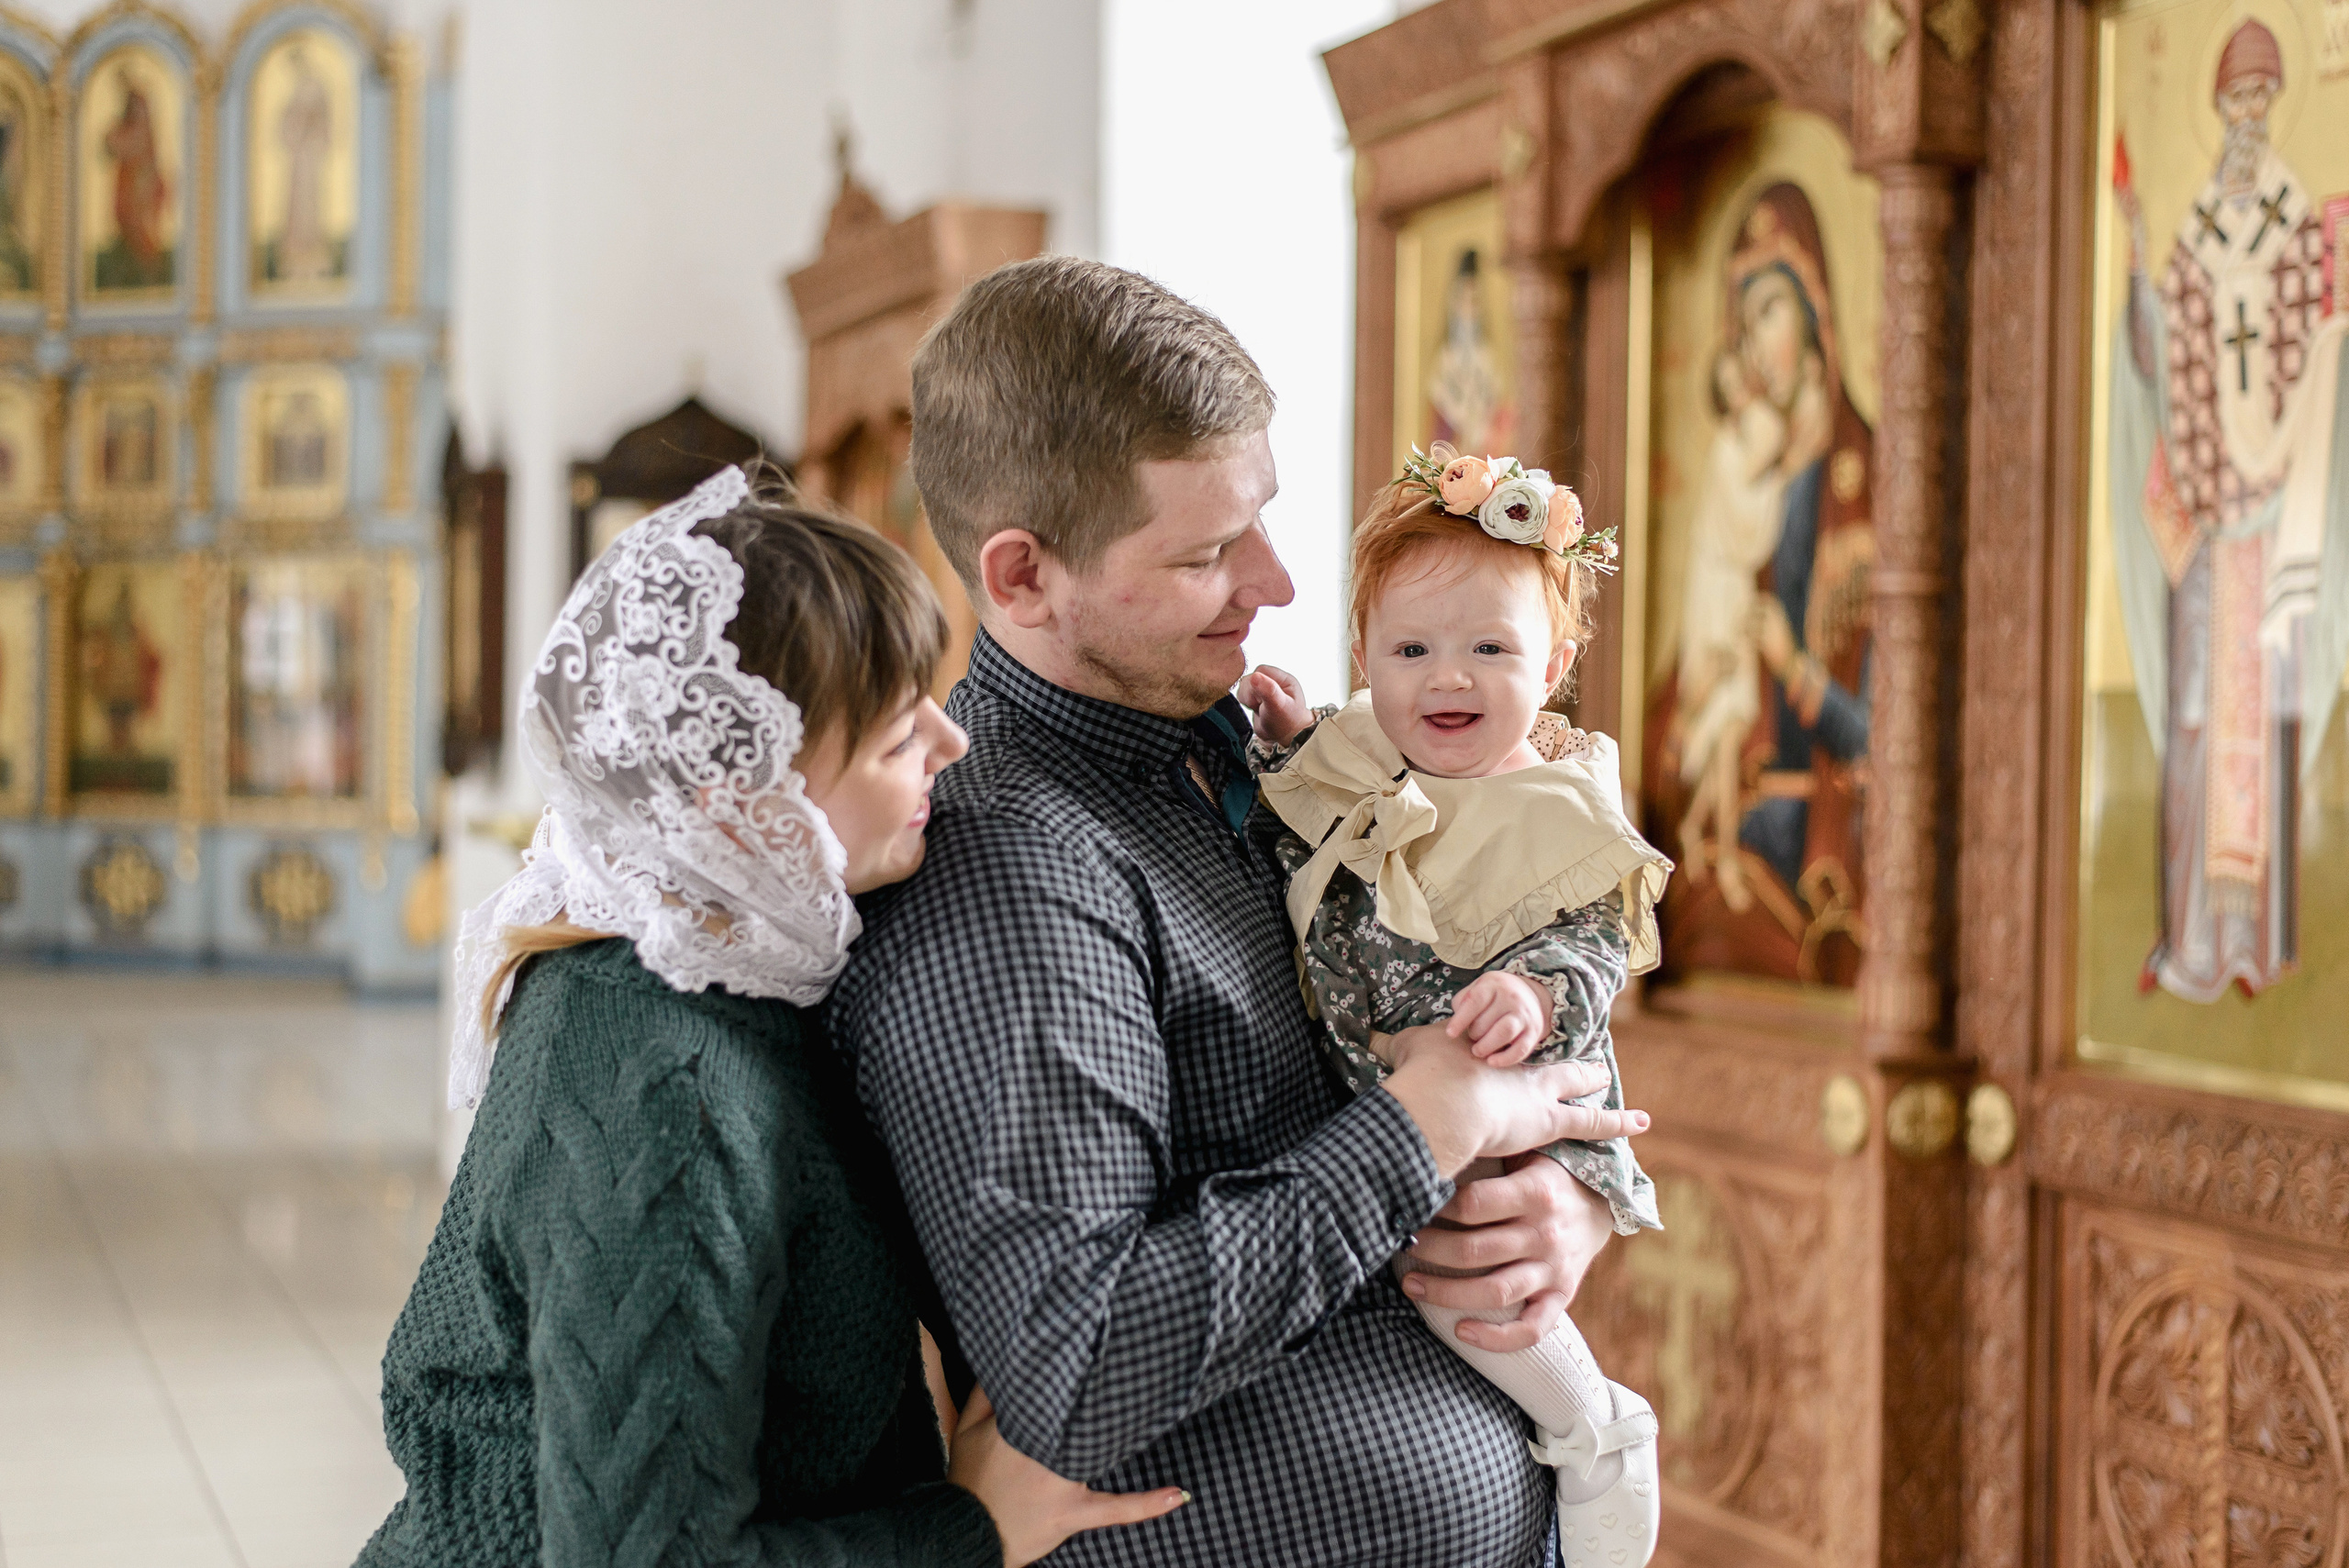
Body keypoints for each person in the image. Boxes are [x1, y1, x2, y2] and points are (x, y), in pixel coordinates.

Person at [829, 257, 1648, 1567]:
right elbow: (1079, 1366)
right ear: (1024, 575)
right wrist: (1429, 1128)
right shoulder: (1010, 873)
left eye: (1260, 517)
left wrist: (1554, 1195)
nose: (1277, 582)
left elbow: (1461, 970)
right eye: (1208, 552)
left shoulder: (1237, 747)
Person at [356, 464, 1186, 1568]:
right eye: (896, 737)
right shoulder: (670, 1088)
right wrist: (969, 1527)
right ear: (743, 803)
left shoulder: (693, 954)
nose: (950, 743)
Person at [1241, 442, 1668, 1566]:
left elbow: (1594, 943)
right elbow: (1311, 815)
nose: (1448, 679)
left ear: (1554, 661)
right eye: (1411, 649)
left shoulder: (1553, 804)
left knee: (1461, 1286)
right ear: (1363, 655)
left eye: (1489, 648)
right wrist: (1288, 740)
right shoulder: (1364, 753)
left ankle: (1594, 1422)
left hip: (1506, 1099)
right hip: (1397, 1110)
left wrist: (1532, 991)